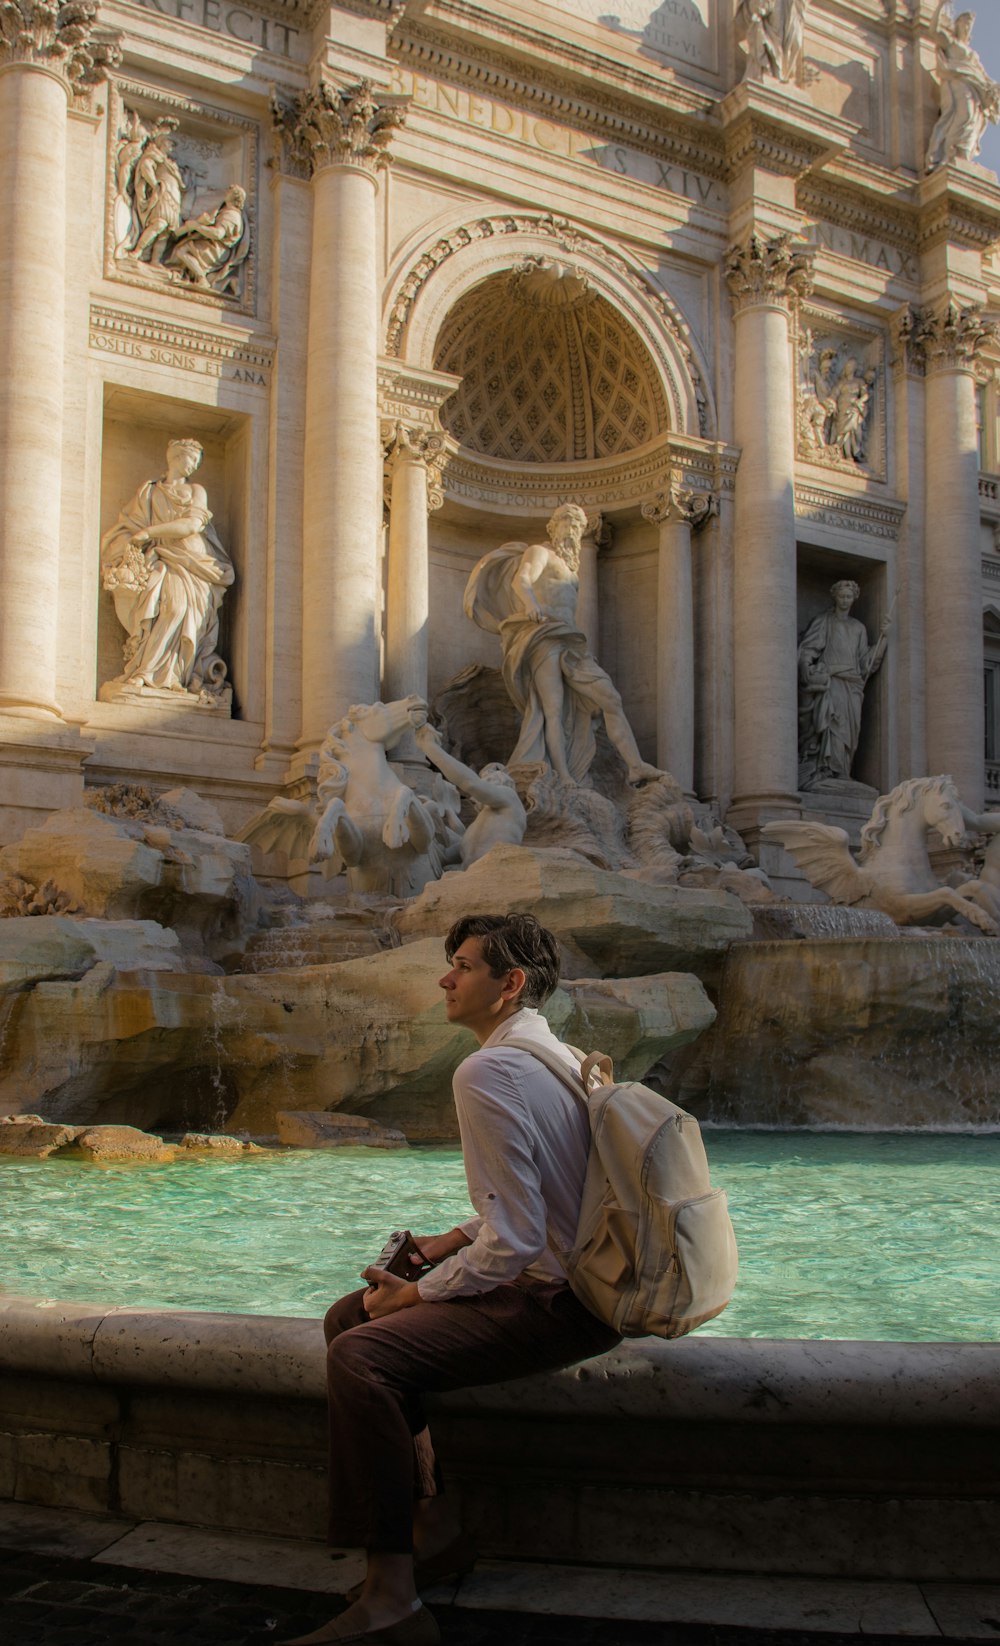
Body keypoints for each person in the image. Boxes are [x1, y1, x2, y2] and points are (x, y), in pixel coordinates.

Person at [287, 913, 620, 1646]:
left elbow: (520, 1239)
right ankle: (434, 1522)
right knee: (350, 1317)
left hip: (562, 1302)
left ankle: (392, 1599)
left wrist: (416, 1293)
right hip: (577, 1280)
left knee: (361, 1353)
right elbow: (546, 1196)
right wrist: (447, 1240)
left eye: (463, 967)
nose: (445, 978)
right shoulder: (555, 1053)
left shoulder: (488, 1070)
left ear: (510, 984)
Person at [463, 503, 661, 787]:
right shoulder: (540, 552)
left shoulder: (573, 573)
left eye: (577, 527)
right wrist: (530, 604)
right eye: (567, 523)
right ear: (552, 527)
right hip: (544, 635)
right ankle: (564, 777)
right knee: (552, 710)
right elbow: (522, 580)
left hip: (571, 643)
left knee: (610, 698)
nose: (572, 530)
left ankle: (636, 766)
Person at [100, 438, 234, 700]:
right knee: (162, 610)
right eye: (191, 458)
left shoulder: (196, 491)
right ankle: (148, 672)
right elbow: (129, 526)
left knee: (180, 610)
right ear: (175, 456)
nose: (194, 465)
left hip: (193, 562)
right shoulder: (149, 492)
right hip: (161, 557)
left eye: (197, 461)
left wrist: (149, 532)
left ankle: (170, 676)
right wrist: (132, 540)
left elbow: (191, 526)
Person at [797, 579, 888, 790]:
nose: (845, 600)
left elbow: (865, 661)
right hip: (832, 681)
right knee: (832, 726)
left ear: (854, 599)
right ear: (835, 597)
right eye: (842, 596)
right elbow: (809, 649)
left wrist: (883, 639)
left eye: (849, 597)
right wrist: (807, 669)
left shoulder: (858, 628)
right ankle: (828, 769)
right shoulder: (824, 621)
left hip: (852, 685)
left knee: (849, 731)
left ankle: (843, 771)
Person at [412, 721, 527, 867]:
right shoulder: (479, 826)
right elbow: (445, 856)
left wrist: (429, 747)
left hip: (495, 875)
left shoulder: (510, 799)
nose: (485, 784)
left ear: (504, 782)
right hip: (470, 878)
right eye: (484, 780)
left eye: (490, 780)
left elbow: (471, 784)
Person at [926, 9, 1000, 172]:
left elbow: (983, 75)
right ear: (957, 25)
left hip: (975, 87)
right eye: (965, 23)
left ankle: (963, 155)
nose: (967, 27)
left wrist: (993, 88)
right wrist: (940, 6)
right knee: (963, 115)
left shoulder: (973, 55)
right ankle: (952, 153)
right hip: (960, 83)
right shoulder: (951, 43)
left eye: (969, 25)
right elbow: (934, 30)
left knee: (974, 119)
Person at [168, 184, 248, 292]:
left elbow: (218, 234)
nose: (226, 193)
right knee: (184, 254)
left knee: (181, 251)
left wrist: (197, 226)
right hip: (217, 248)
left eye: (229, 192)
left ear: (234, 197)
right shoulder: (227, 212)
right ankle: (226, 281)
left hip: (217, 249)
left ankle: (202, 280)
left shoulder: (230, 215)